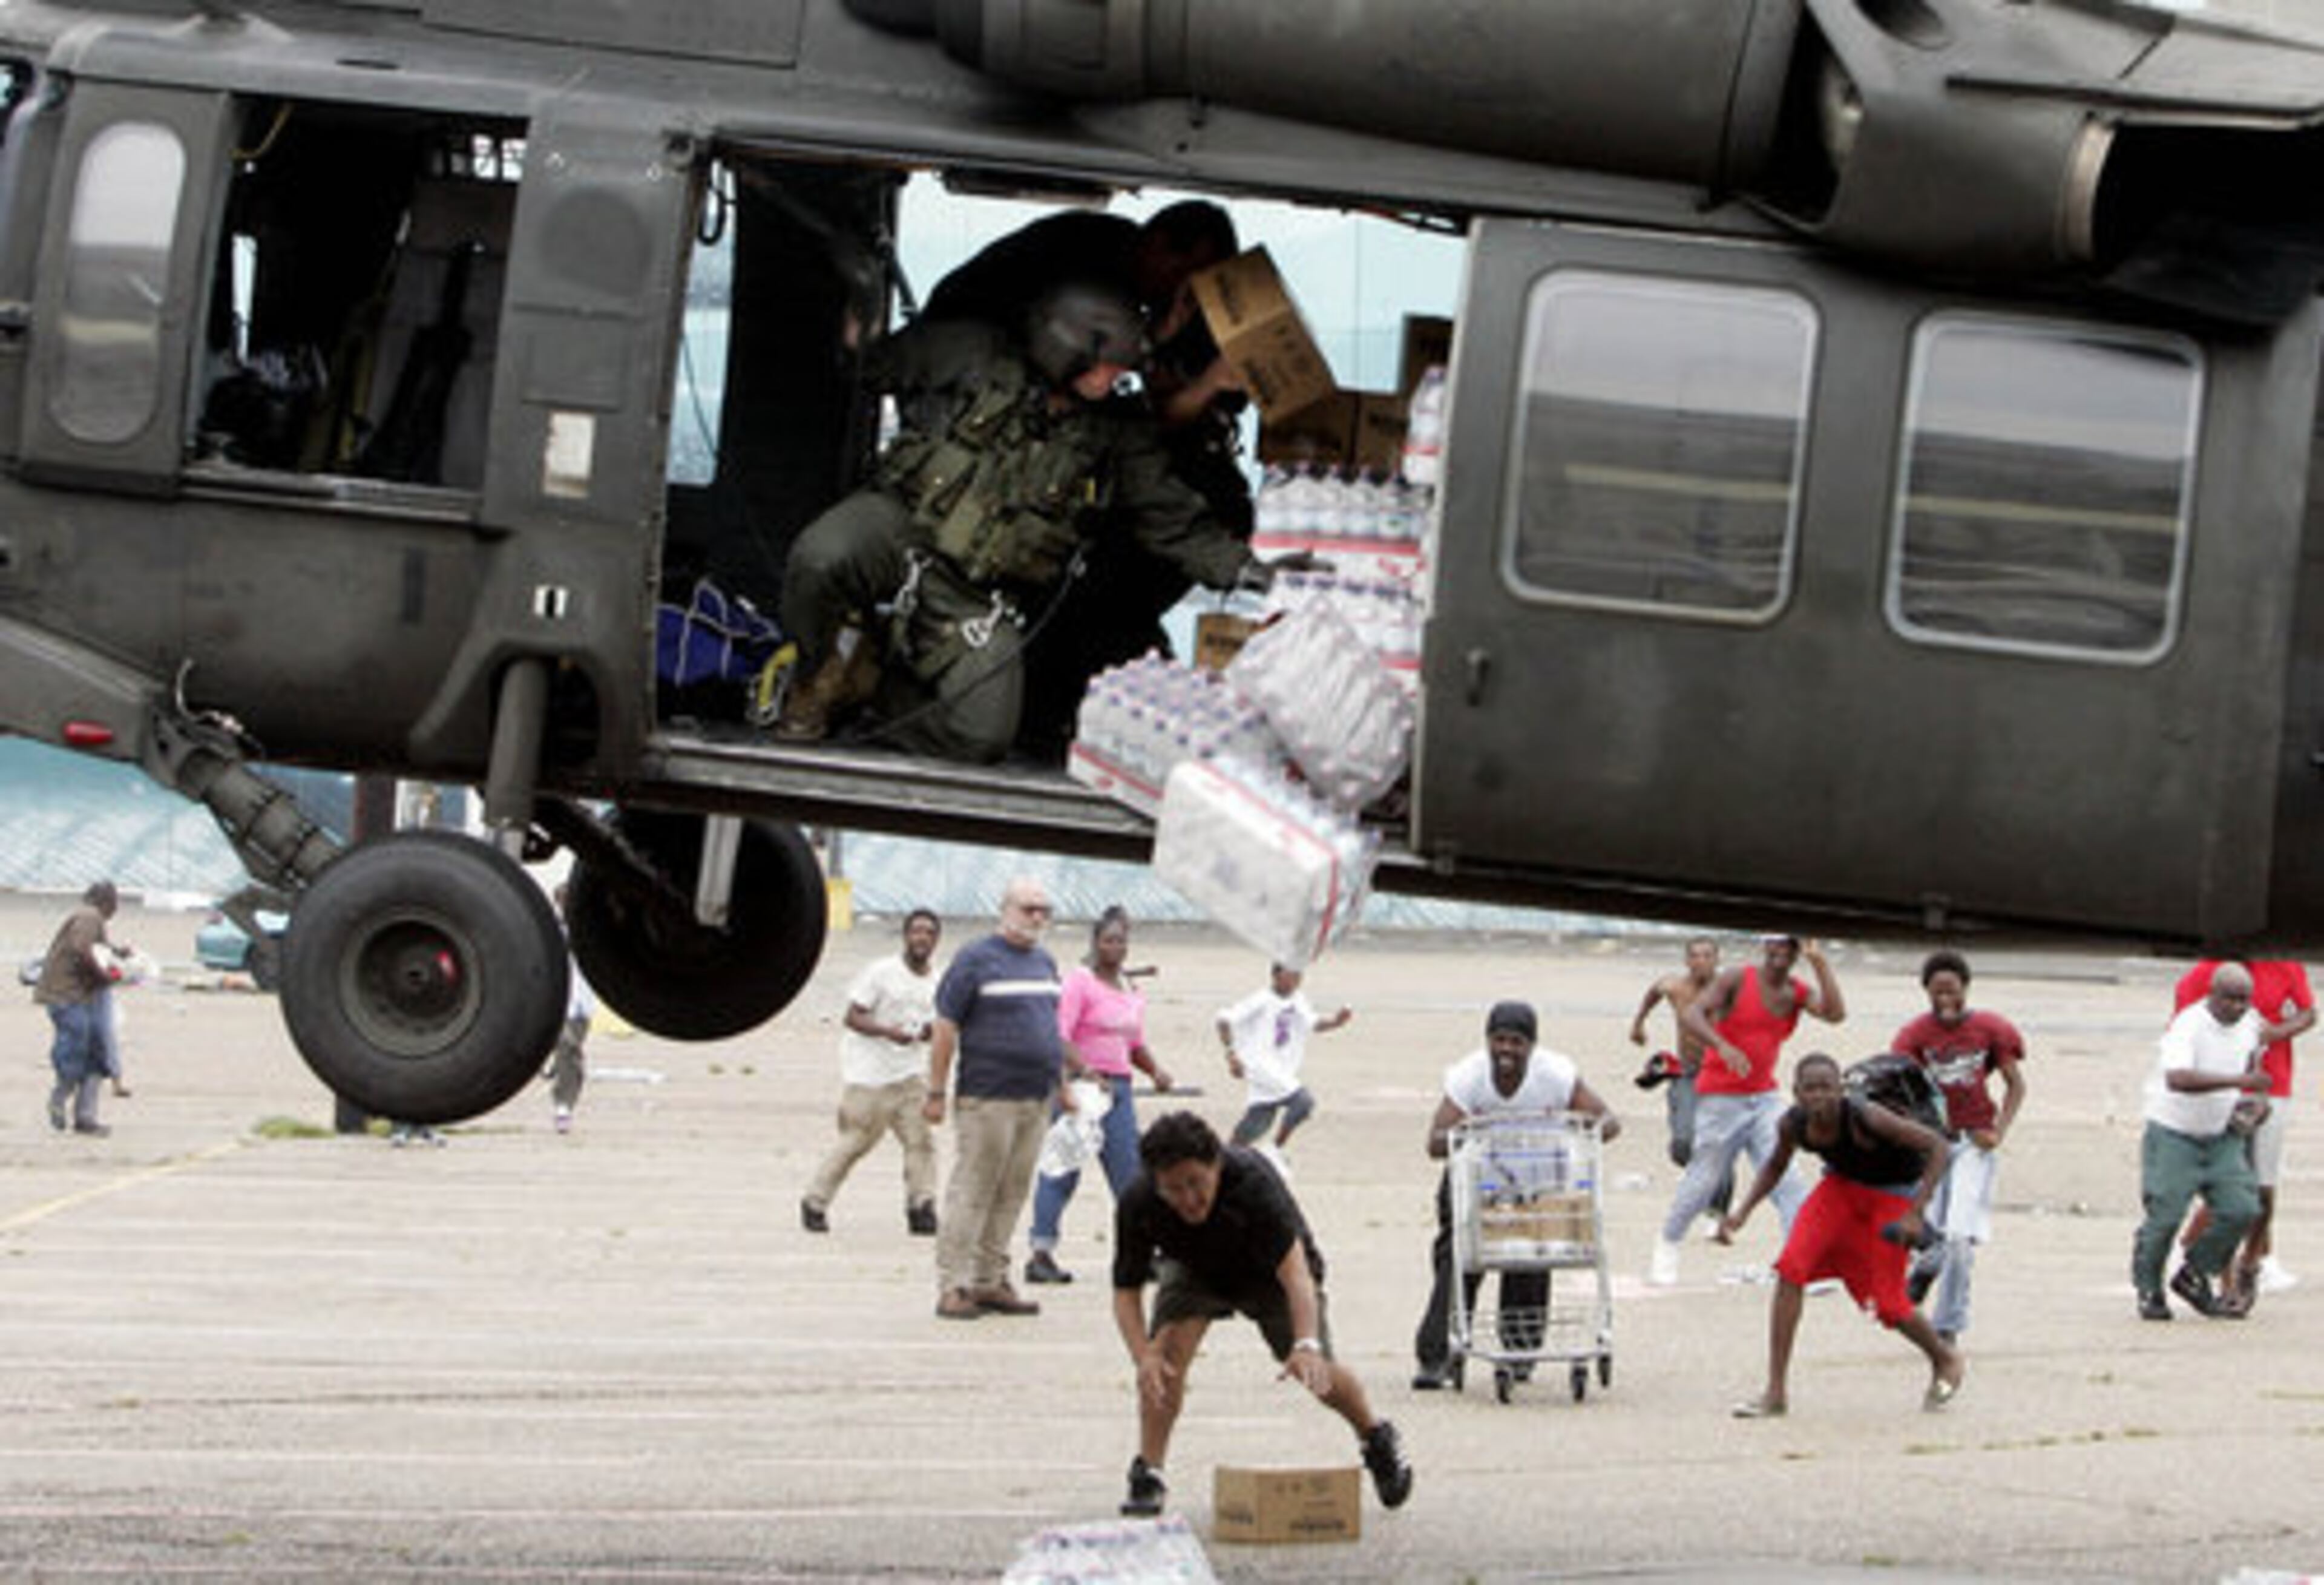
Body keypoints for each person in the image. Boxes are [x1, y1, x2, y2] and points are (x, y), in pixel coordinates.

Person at [775, 280, 1284, 761]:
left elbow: (1173, 523)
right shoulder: (972, 354)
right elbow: (871, 364)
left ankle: (865, 691)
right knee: (824, 555)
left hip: (973, 597)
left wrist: (1251, 572)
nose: (1114, 380)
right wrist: (859, 314)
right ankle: (813, 675)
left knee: (982, 735)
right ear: (1067, 347)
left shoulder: (1115, 434)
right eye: (1106, 366)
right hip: (898, 531)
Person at [1111, 1110, 1413, 1519]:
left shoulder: (1252, 1181)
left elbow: (1296, 1273)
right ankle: (1149, 1471)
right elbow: (1126, 1292)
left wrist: (1306, 1343)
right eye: (1173, 1189)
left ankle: (1375, 1435)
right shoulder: (1139, 1201)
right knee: (1163, 1364)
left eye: (1196, 1183)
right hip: (1195, 1267)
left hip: (1268, 1271)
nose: (1187, 1199)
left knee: (1317, 1372)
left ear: (1216, 1164)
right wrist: (1142, 1354)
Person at [1724, 1053, 1963, 1419]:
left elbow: (1938, 1147)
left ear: (1841, 1090)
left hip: (1893, 1193)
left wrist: (1917, 1211)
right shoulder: (1793, 1124)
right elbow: (1775, 1166)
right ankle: (1775, 1392)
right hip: (1840, 1189)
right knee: (1791, 1268)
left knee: (1888, 1303)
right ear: (1797, 1093)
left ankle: (1943, 1357)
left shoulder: (1867, 1116)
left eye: (1827, 1088)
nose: (1819, 1097)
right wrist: (1742, 1211)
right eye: (1810, 1089)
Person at [1411, 1001, 1621, 1390]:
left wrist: (1569, 1127)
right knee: (1457, 1260)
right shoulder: (1468, 1076)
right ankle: (1436, 1356)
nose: (1506, 1050)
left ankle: (1521, 1349)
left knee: (1529, 1257)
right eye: (1499, 1040)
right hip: (1475, 1183)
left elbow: (1609, 1123)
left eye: (1517, 1042)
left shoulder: (1556, 1075)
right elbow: (1435, 1143)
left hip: (1533, 1181)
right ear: (1487, 1041)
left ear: (1532, 1046)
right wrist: (1474, 1129)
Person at [1649, 934, 1846, 1285]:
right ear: (1764, 949)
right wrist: (1721, 1045)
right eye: (1773, 947)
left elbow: (1835, 1015)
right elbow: (1693, 1013)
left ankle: (1805, 1262)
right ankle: (1668, 1243)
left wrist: (1820, 963)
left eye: (1787, 949)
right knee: (1704, 1178)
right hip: (1720, 1098)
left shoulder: (1795, 992)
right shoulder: (1737, 979)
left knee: (1787, 1178)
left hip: (1764, 1097)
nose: (1778, 954)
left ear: (1794, 954)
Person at [923, 878, 1062, 1319]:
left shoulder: (1045, 962)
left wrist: (1061, 1083)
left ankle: (990, 1278)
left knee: (1012, 1192)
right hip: (987, 1097)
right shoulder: (976, 960)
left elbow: (1050, 1028)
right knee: (973, 1190)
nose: (1037, 917)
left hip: (1035, 1099)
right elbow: (946, 1026)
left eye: (1044, 909)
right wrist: (936, 1090)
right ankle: (954, 1284)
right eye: (1028, 908)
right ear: (1005, 909)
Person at [1025, 907, 1174, 1284]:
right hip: (1082, 1088)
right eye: (1109, 940)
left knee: (1130, 1175)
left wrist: (1155, 1070)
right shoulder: (1080, 983)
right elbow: (1060, 1035)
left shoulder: (1130, 990)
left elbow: (1134, 1044)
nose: (1116, 947)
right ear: (1095, 944)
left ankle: (1141, 1253)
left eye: (1121, 941)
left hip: (1119, 1089)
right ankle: (1041, 1252)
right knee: (1063, 1169)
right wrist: (1081, 1072)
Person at [1889, 950, 2027, 1346]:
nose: (1946, 1000)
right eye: (1937, 992)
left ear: (1966, 988)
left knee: (1960, 1237)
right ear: (1926, 992)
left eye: (1953, 991)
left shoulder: (1989, 1029)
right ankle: (1926, 1268)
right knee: (1929, 1232)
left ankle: (1948, 1324)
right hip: (1933, 1142)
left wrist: (1998, 1130)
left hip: (1973, 1141)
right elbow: (1898, 1087)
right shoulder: (1914, 1035)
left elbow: (2016, 1085)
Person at [2133, 962, 2279, 1321]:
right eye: (2230, 999)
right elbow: (2178, 1078)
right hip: (2173, 1131)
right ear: (2212, 994)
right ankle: (2149, 1288)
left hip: (2220, 1132)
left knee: (2242, 1207)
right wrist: (2236, 1081)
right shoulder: (2189, 1026)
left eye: (2245, 999)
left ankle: (2196, 1272)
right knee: (2165, 1215)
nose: (2239, 1007)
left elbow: (2253, 1079)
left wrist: (2256, 1106)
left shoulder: (2251, 1025)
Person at [2171, 959, 2313, 1301]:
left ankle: (2254, 1258)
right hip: (2222, 1087)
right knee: (2228, 1180)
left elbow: (2308, 1012)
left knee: (2263, 1184)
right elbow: (2181, 1029)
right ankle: (2208, 1259)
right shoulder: (2206, 972)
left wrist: (2273, 1033)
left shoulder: (2285, 966)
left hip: (2272, 1084)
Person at [803, 909, 944, 1235]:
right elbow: (853, 1017)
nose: (922, 938)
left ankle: (921, 1205)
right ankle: (815, 1200)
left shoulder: (938, 980)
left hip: (910, 1074)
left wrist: (927, 1033)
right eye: (916, 932)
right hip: (870, 1077)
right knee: (855, 1142)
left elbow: (942, 1025)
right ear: (906, 936)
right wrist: (886, 1032)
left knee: (921, 1143)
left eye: (929, 933)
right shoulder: (882, 973)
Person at [1627, 936, 1727, 1219]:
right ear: (1687, 961)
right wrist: (1639, 1023)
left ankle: (1716, 1210)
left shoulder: (1728, 991)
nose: (1701, 962)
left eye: (1708, 956)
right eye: (1695, 956)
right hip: (1688, 1073)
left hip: (1722, 1077)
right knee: (1682, 1144)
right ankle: (1698, 1177)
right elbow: (1654, 992)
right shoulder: (1675, 987)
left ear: (1717, 960)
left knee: (1716, 1143)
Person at [1215, 962, 1353, 1153]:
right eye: (1292, 974)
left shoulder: (1298, 999)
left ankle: (1224, 1159)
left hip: (1281, 1068)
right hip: (1259, 1065)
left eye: (1299, 974)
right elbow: (1224, 1021)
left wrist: (1336, 1022)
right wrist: (1231, 1055)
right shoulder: (1261, 1000)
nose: (1297, 978)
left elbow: (1314, 1023)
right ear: (1276, 975)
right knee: (1303, 1102)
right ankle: (1276, 1150)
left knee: (1257, 1122)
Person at [33, 881, 122, 1137]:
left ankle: (86, 1117)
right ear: (107, 902)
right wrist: (103, 975)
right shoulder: (89, 916)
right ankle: (60, 1097)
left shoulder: (89, 919)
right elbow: (82, 949)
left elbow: (96, 947)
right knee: (77, 1046)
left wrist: (118, 952)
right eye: (116, 902)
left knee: (96, 1051)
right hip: (66, 995)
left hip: (81, 996)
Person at [549, 884, 595, 1135]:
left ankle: (567, 1098)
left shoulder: (588, 935)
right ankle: (562, 1105)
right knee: (566, 1044)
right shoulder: (552, 933)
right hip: (559, 1001)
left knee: (573, 1050)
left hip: (582, 1004)